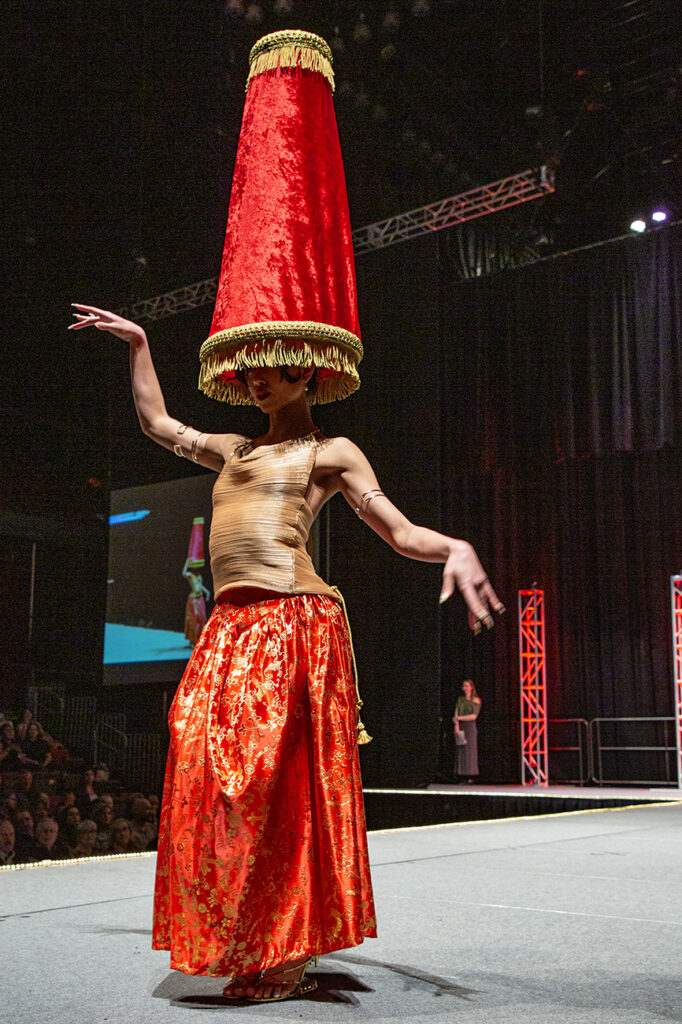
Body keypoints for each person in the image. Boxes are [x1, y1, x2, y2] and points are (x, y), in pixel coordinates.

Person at [68, 29, 503, 1004]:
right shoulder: (233, 448)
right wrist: (139, 341)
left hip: (295, 627)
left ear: (306, 365)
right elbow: (156, 422)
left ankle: (287, 944)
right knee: (207, 779)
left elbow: (395, 532)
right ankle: (240, 932)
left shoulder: (327, 452)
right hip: (226, 632)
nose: (260, 380)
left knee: (275, 788)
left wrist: (457, 545)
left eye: (274, 368)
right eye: (251, 370)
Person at [453, 679, 482, 783]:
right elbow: (456, 714)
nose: (464, 688)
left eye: (466, 686)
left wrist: (459, 718)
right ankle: (461, 774)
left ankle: (470, 775)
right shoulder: (460, 699)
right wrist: (456, 726)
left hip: (469, 727)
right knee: (461, 748)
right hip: (460, 726)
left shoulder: (475, 700)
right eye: (463, 686)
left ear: (471, 687)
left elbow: (473, 716)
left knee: (469, 750)